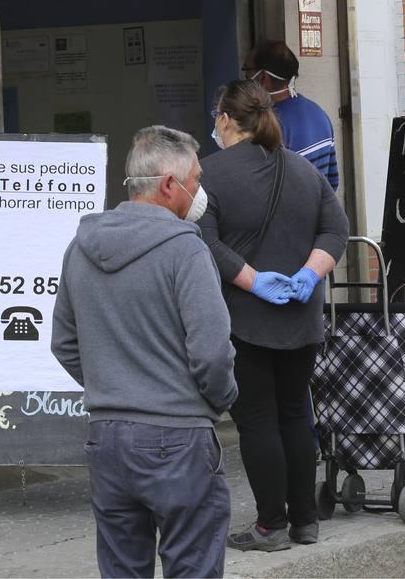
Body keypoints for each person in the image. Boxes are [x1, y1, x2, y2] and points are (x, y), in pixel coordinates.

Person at [51, 126, 238, 579]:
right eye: (196, 180)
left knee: (121, 569)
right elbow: (212, 352)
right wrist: (219, 400)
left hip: (106, 438)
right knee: (192, 565)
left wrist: (110, 385)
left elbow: (63, 343)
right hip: (179, 437)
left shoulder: (81, 248)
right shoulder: (185, 249)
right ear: (170, 185)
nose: (201, 191)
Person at [200, 80, 349, 552]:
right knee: (294, 416)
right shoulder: (304, 170)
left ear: (225, 120)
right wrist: (310, 273)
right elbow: (337, 229)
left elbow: (203, 242)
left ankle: (270, 526)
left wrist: (250, 279)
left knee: (258, 421)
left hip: (246, 321)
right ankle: (305, 520)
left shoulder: (209, 175)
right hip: (302, 319)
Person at [242, 40, 339, 191]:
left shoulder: (267, 126)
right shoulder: (320, 114)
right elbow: (332, 182)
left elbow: (260, 191)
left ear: (264, 78)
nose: (245, 77)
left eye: (246, 70)